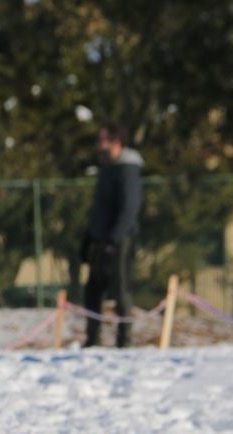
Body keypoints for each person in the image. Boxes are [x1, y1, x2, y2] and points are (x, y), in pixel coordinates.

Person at [80, 123, 143, 348]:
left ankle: (124, 341)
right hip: (100, 239)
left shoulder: (128, 169)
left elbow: (129, 208)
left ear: (116, 143)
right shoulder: (107, 168)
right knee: (93, 292)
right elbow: (100, 208)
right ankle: (92, 339)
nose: (99, 145)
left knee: (121, 290)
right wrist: (90, 236)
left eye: (103, 140)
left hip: (119, 241)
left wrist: (114, 238)